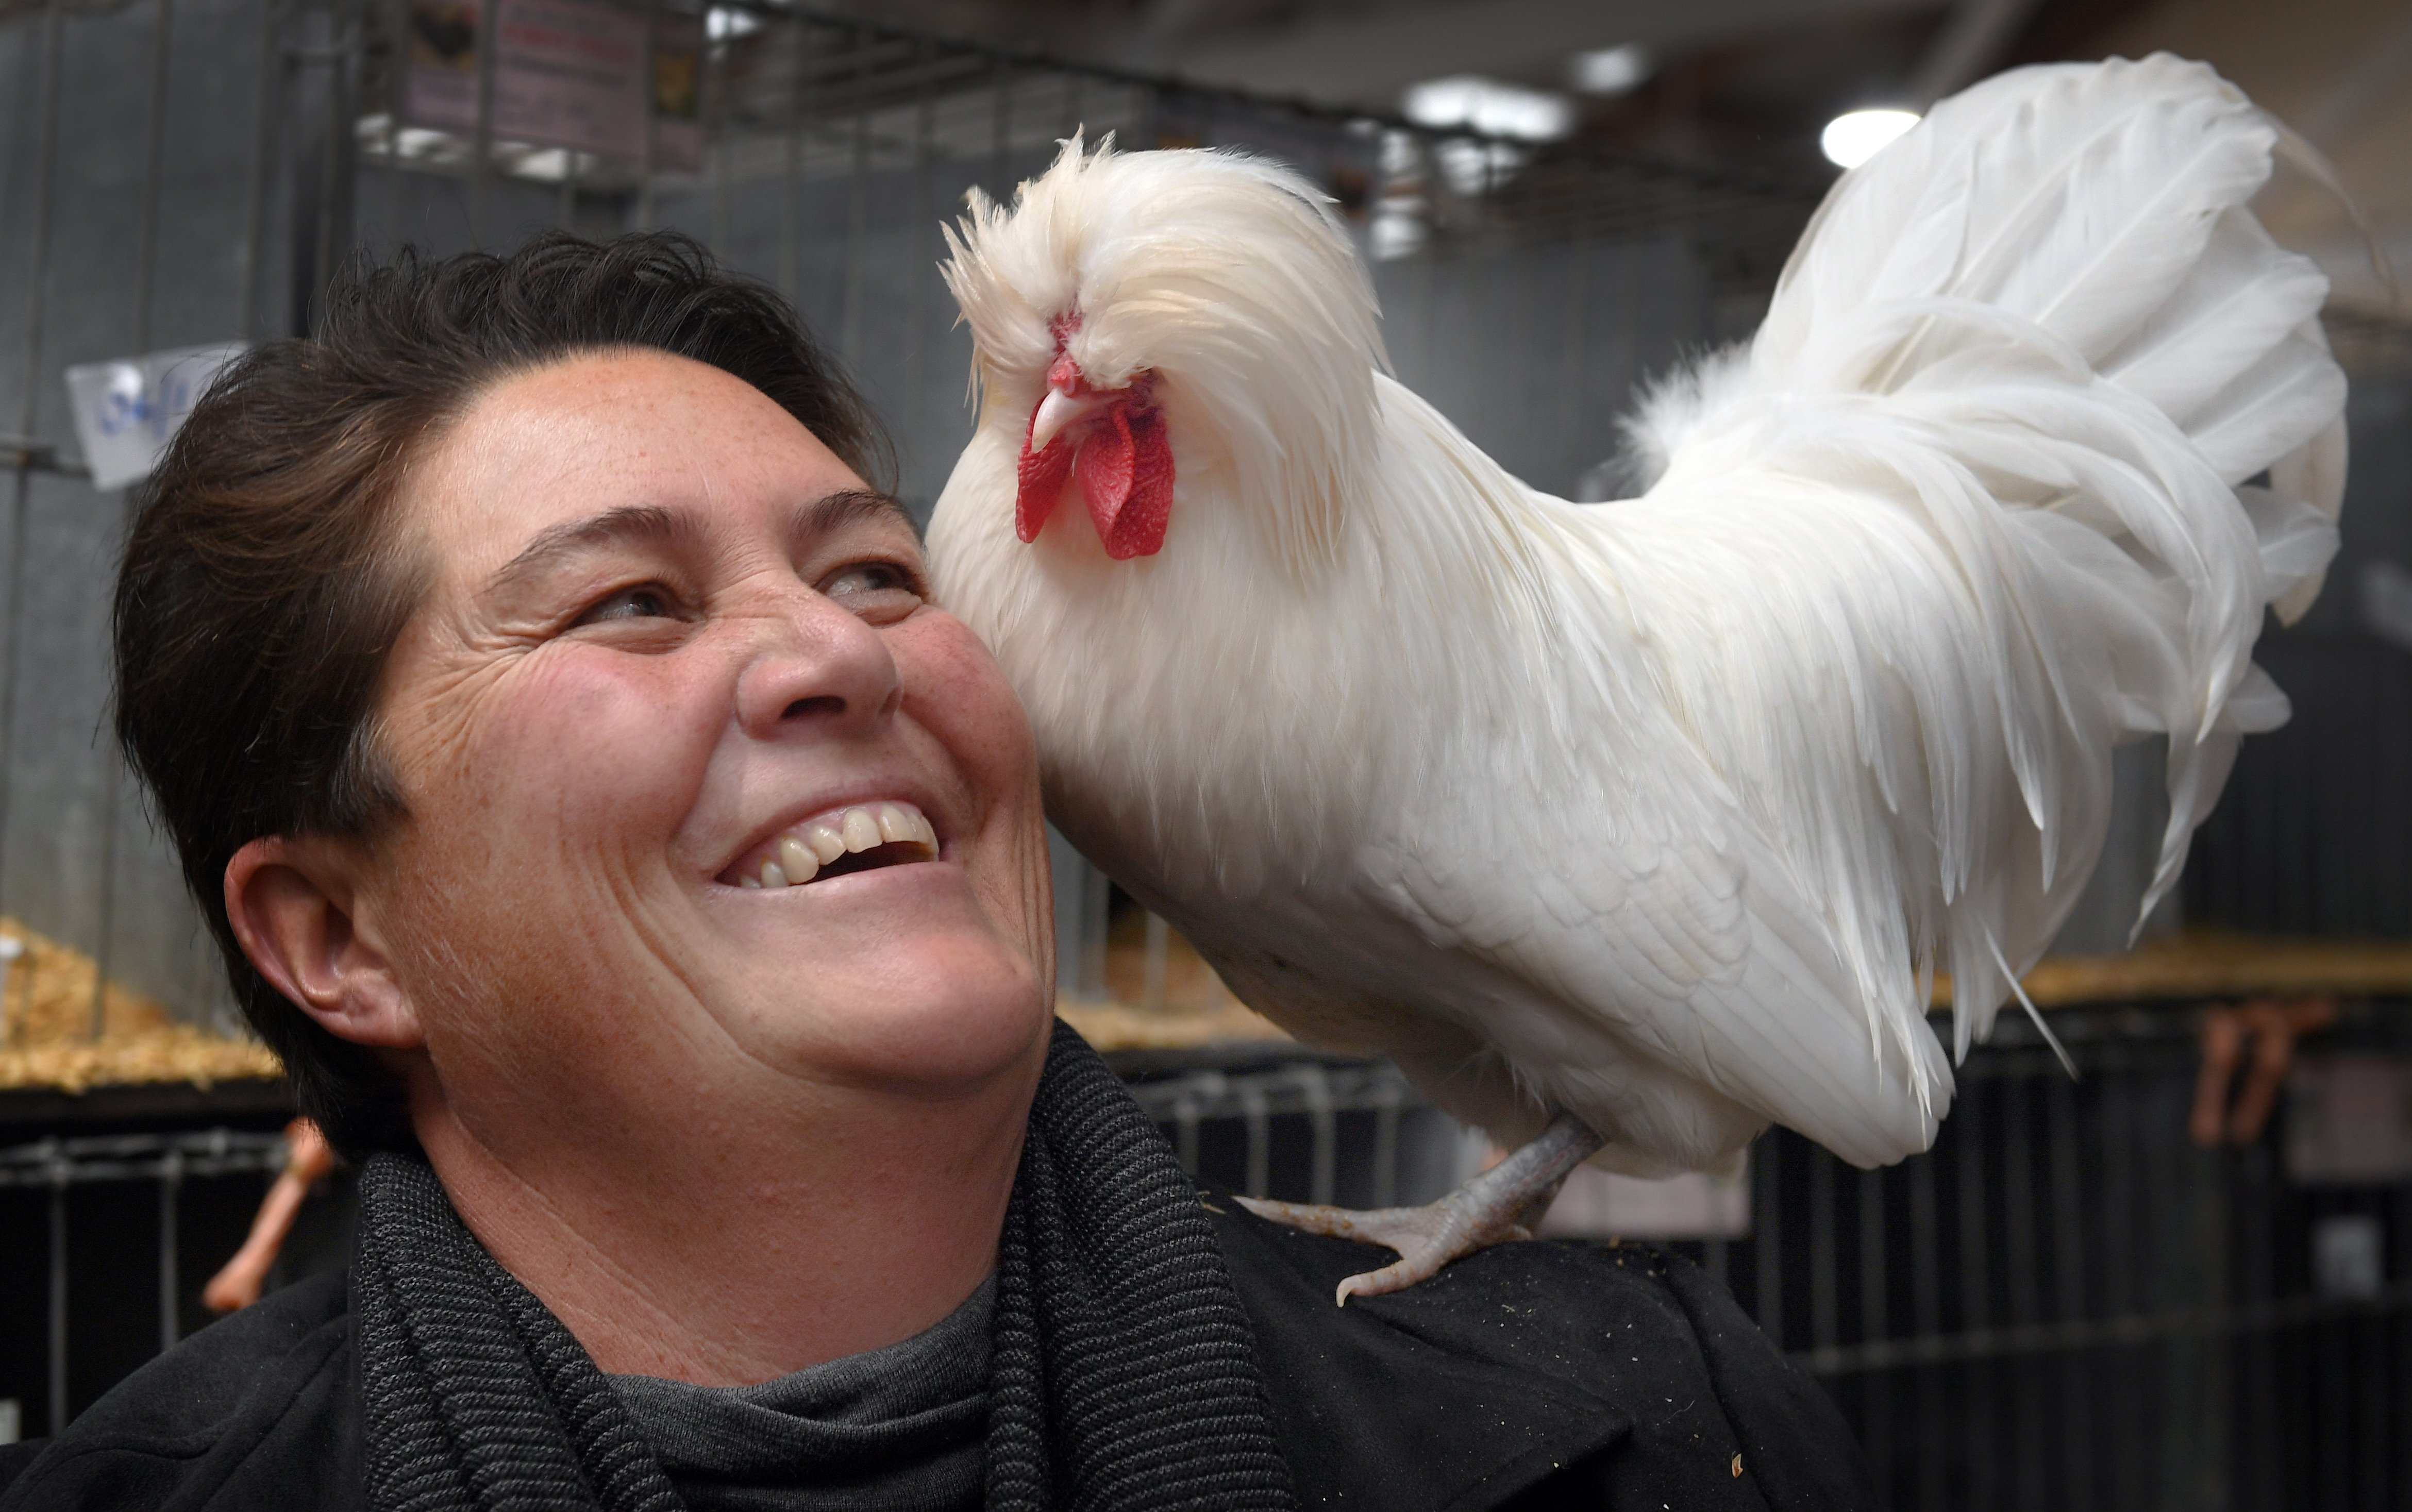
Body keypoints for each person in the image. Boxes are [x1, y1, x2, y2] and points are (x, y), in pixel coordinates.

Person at [0, 233, 1874, 1511]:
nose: (845, 655)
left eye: (878, 572)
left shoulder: (1641, 1432)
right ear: (336, 939)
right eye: (629, 604)